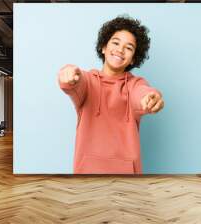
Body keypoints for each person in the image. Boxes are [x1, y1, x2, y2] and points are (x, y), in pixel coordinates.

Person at [58, 15, 164, 174]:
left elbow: (141, 94)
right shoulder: (87, 80)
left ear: (133, 59)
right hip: (87, 175)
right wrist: (68, 74)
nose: (120, 50)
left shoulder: (135, 84)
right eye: (115, 43)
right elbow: (75, 81)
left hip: (127, 178)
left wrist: (150, 97)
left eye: (128, 48)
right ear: (103, 47)